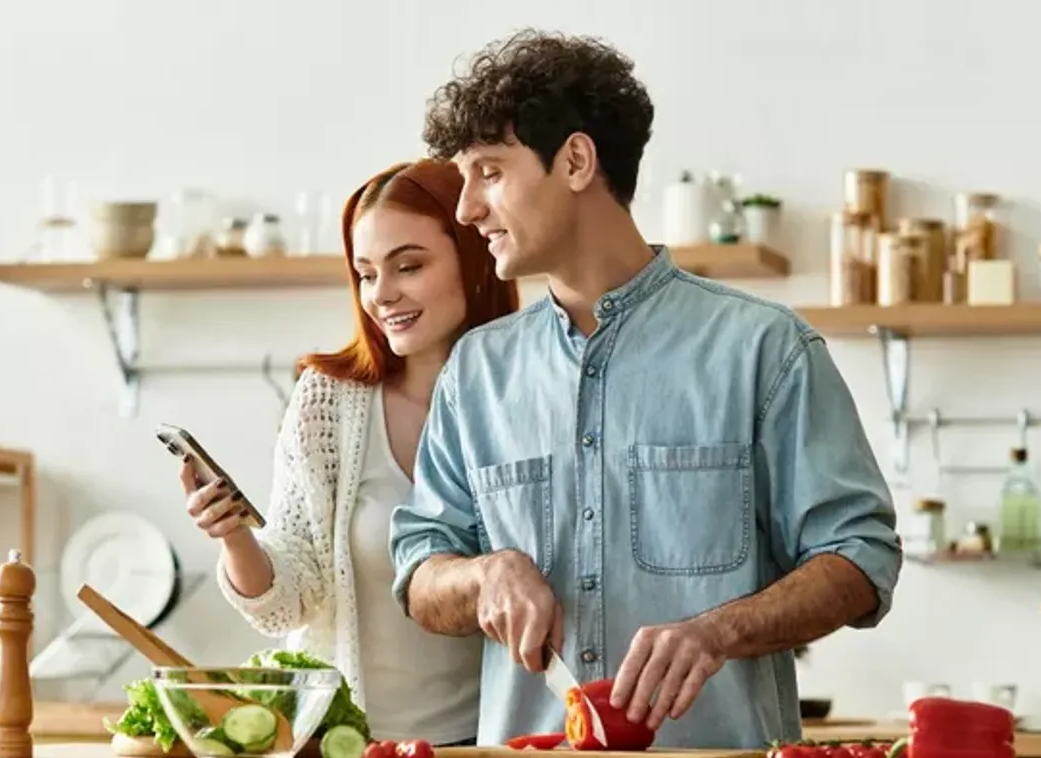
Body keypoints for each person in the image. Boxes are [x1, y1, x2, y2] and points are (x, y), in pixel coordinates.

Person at [388, 29, 903, 749]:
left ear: (574, 160)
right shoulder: (475, 372)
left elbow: (859, 557)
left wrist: (717, 631)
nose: (467, 208)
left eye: (489, 171)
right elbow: (419, 572)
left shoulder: (763, 348)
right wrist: (485, 575)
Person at [182, 158, 520, 746]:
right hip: (353, 742)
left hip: (500, 742)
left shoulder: (530, 390)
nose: (382, 295)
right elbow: (290, 600)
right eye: (365, 274)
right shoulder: (329, 402)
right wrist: (234, 536)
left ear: (474, 256)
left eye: (408, 266)